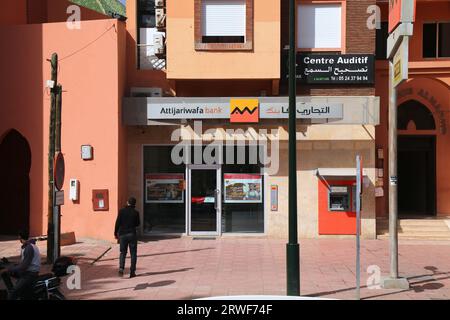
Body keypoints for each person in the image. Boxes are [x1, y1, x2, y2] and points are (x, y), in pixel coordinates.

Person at [0, 230, 41, 300]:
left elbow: (24, 267)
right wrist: (11, 266)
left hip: (30, 274)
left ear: (19, 237)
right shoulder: (28, 246)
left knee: (14, 291)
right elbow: (24, 263)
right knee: (6, 273)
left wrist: (9, 269)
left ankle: (13, 294)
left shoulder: (29, 248)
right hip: (27, 271)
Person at [114, 197, 140, 278]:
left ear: (127, 202)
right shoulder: (136, 212)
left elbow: (117, 223)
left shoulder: (121, 211)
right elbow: (138, 224)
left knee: (123, 252)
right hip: (132, 234)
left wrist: (115, 232)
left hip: (123, 235)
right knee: (133, 253)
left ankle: (121, 268)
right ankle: (132, 271)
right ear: (134, 204)